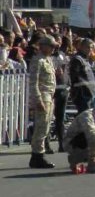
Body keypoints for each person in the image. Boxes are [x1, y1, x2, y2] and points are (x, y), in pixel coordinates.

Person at [29, 36, 57, 169]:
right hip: (43, 95)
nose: (53, 49)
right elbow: (33, 82)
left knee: (45, 126)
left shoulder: (48, 60)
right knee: (41, 126)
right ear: (43, 46)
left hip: (50, 95)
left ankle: (38, 154)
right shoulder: (38, 60)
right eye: (51, 46)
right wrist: (38, 99)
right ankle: (37, 155)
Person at [69, 38, 95, 113]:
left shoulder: (85, 59)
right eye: (87, 47)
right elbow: (74, 77)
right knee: (85, 115)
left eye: (91, 47)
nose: (90, 49)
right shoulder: (77, 59)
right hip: (82, 94)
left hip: (89, 93)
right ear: (81, 47)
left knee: (87, 115)